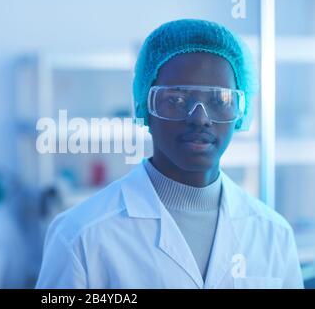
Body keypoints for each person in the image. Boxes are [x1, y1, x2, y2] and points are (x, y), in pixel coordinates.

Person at [35, 19, 304, 289]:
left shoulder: (273, 233)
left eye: (219, 100)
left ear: (240, 113)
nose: (200, 119)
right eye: (176, 99)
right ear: (144, 108)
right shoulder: (81, 234)